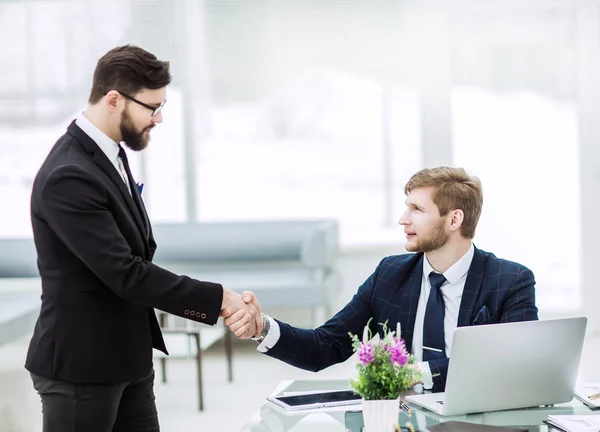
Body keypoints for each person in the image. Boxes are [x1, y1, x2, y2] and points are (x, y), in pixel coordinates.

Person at [25, 45, 260, 432]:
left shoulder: (108, 155)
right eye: (152, 108)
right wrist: (218, 299)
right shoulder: (68, 175)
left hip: (127, 357)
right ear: (114, 99)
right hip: (82, 367)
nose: (160, 118)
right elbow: (125, 273)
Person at [225, 166, 538, 392]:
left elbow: (516, 363)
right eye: (406, 207)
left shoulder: (510, 280)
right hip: (405, 420)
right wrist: (262, 328)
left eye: (416, 209)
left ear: (454, 219)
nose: (403, 219)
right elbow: (325, 346)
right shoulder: (390, 275)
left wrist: (417, 373)